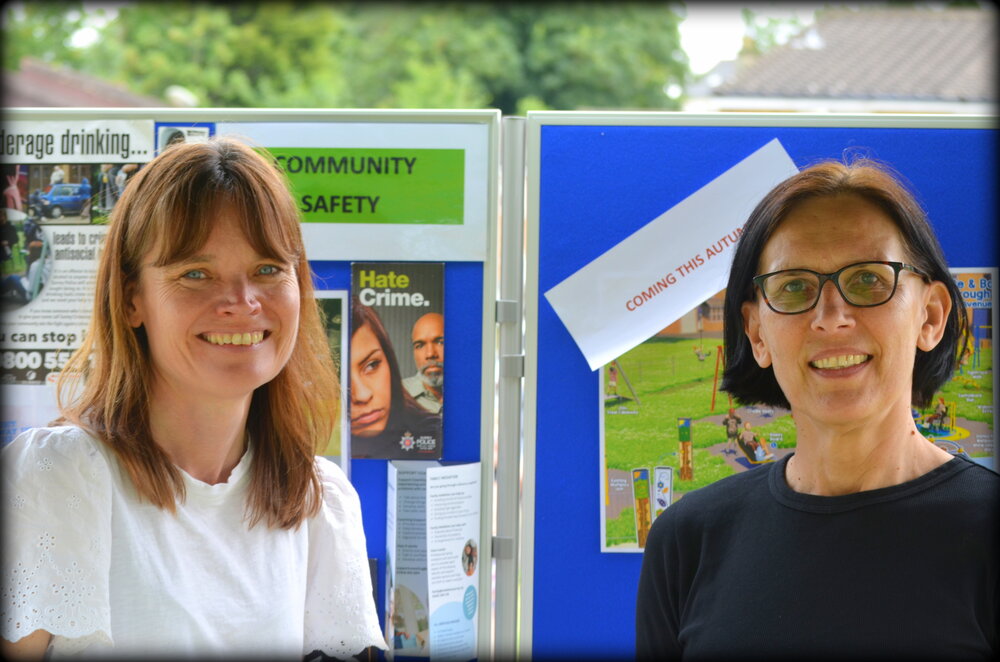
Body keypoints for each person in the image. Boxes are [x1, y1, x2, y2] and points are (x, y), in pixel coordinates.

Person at [1, 138, 386, 660]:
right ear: (132, 298)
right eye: (195, 274)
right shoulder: (60, 475)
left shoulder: (320, 498)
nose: (241, 303)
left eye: (268, 269)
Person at [636, 158, 998, 659]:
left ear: (931, 317)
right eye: (794, 287)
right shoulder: (687, 540)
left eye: (870, 280)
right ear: (758, 333)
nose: (831, 319)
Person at [350, 299, 441, 459]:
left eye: (372, 365)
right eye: (339, 375)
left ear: (389, 360)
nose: (362, 395)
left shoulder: (431, 430)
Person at [401, 311, 444, 414]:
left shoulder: (476, 391)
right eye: (419, 345)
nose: (430, 354)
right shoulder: (395, 396)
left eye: (440, 342)